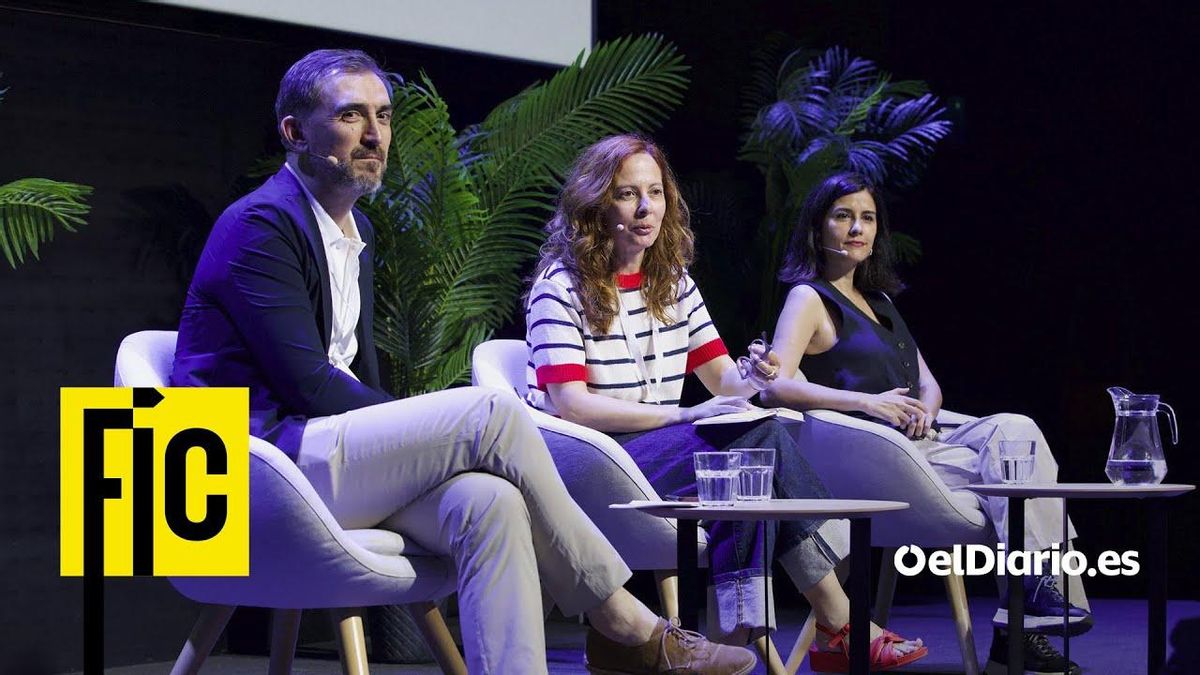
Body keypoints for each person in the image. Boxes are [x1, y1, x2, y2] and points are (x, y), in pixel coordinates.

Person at [170, 49, 758, 675]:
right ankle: (624, 624)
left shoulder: (351, 238)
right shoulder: (262, 224)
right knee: (490, 415)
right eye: (351, 116)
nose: (375, 135)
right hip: (243, 473)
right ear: (294, 132)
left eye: (384, 116)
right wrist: (437, 423)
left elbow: (355, 382)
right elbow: (309, 385)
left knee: (489, 502)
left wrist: (425, 433)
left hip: (323, 462)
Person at [525, 134, 927, 672]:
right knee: (750, 442)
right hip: (586, 459)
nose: (646, 209)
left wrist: (754, 374)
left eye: (655, 193)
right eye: (626, 194)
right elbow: (572, 406)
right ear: (596, 202)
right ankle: (836, 615)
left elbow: (724, 382)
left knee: (754, 441)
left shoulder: (673, 283)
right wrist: (686, 414)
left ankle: (737, 635)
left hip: (651, 453)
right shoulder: (562, 285)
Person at [762, 171, 1092, 674]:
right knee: (1017, 474)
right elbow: (777, 385)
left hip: (923, 447)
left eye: (867, 218)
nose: (857, 228)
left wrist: (925, 414)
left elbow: (928, 384)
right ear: (818, 227)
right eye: (843, 216)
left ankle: (1026, 611)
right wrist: (866, 403)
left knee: (1018, 433)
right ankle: (1024, 623)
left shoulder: (883, 304)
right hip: (874, 461)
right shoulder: (810, 297)